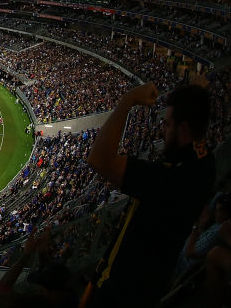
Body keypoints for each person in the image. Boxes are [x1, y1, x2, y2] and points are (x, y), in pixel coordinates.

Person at [83, 82, 215, 306]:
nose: (161, 130)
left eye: (167, 124)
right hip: (149, 288)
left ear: (183, 130)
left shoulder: (168, 180)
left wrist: (127, 101)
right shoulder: (205, 165)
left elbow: (99, 159)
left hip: (118, 291)